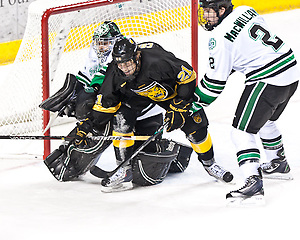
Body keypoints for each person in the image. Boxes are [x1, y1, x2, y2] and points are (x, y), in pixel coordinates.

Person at [41, 21, 193, 191]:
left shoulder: (123, 58)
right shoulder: (101, 55)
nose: (101, 47)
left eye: (105, 42)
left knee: (141, 166)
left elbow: (104, 89)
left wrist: (87, 112)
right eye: (99, 42)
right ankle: (108, 165)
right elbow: (90, 82)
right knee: (103, 119)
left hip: (147, 108)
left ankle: (170, 155)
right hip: (126, 106)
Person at [75, 37, 234, 192]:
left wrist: (180, 105)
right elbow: (106, 104)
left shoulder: (157, 62)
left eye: (128, 63)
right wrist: (88, 125)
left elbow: (188, 76)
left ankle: (210, 164)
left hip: (169, 93)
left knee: (194, 123)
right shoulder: (115, 73)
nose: (125, 68)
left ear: (137, 56)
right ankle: (123, 169)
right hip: (136, 96)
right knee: (121, 119)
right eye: (120, 64)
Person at [197, 0, 299, 204]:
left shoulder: (218, 37)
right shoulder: (246, 10)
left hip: (268, 79)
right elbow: (246, 45)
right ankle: (278, 163)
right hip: (291, 70)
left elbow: (214, 85)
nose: (204, 16)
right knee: (265, 121)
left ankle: (252, 182)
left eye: (208, 11)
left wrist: (192, 103)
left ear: (222, 10)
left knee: (241, 131)